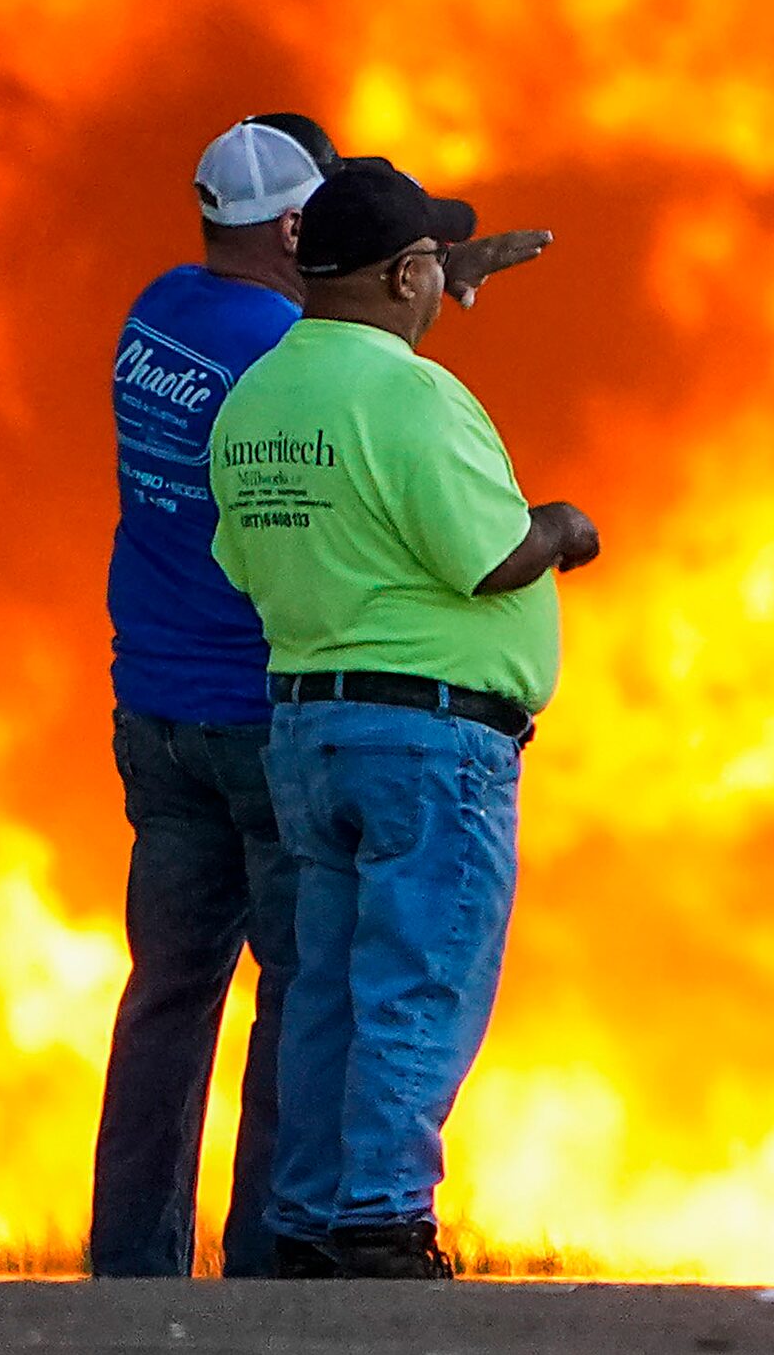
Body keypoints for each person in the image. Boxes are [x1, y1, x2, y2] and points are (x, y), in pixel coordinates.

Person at [93, 116, 544, 1280]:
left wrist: (426, 278)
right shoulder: (287, 351)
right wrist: (412, 300)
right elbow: (373, 421)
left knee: (169, 992)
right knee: (315, 990)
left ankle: (132, 1269)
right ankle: (278, 1254)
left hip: (152, 700)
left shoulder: (161, 315)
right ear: (299, 232)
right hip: (271, 706)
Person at [208, 161, 598, 1280]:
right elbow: (492, 555)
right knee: (418, 978)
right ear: (407, 273)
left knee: (326, 982)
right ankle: (380, 1216)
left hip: (307, 732)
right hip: (428, 742)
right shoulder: (414, 394)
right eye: (431, 265)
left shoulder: (260, 395)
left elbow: (244, 565)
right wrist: (563, 524)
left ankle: (314, 1212)